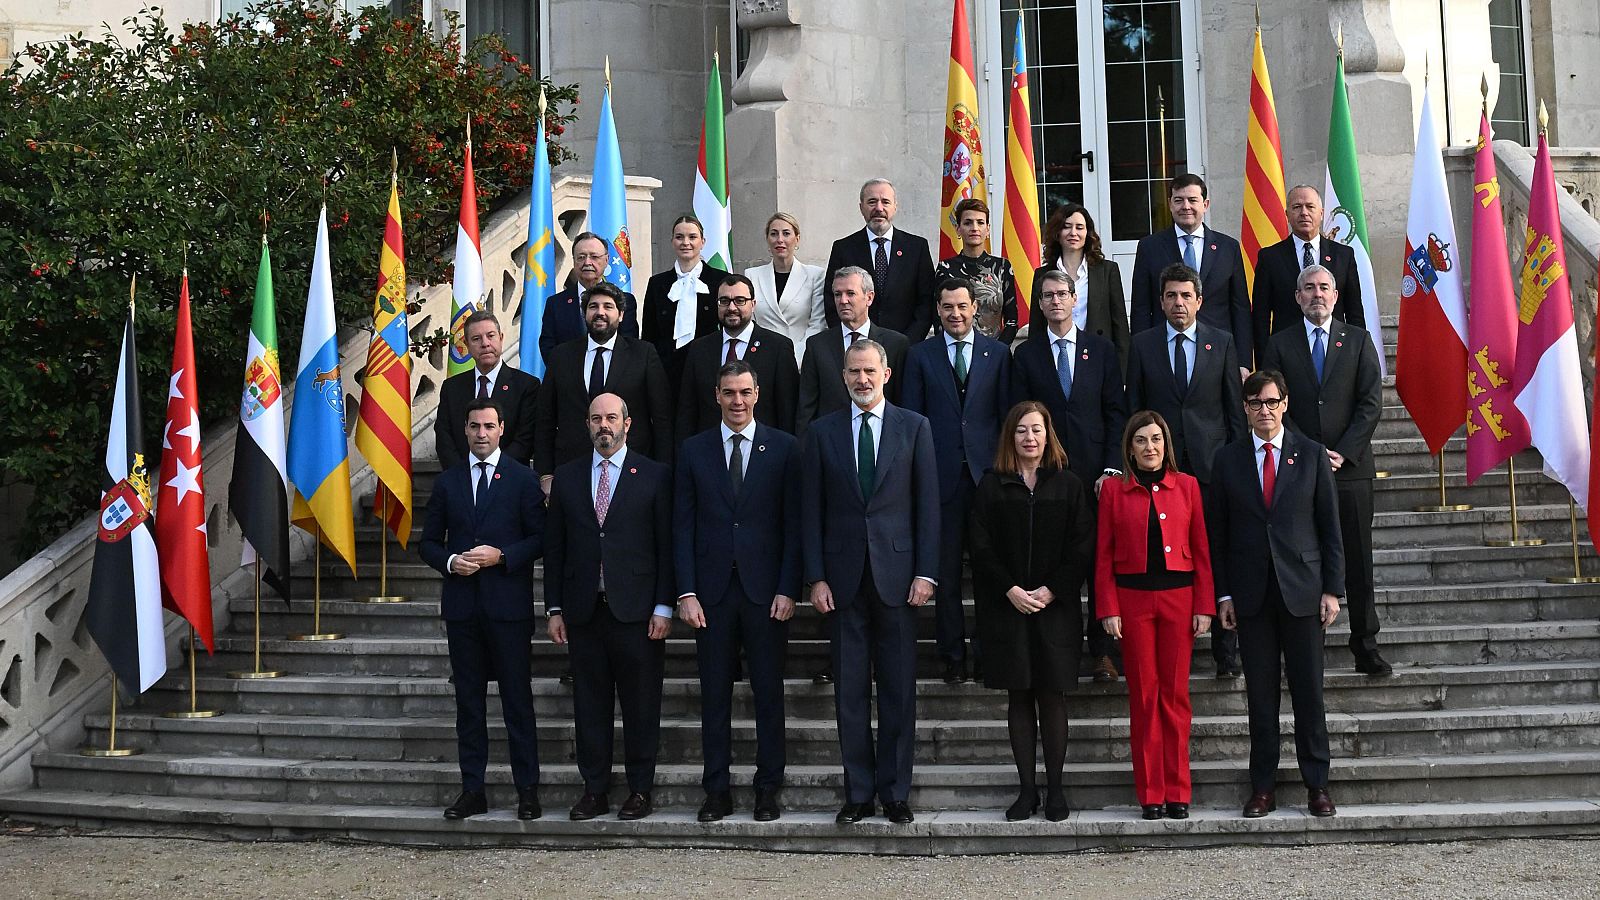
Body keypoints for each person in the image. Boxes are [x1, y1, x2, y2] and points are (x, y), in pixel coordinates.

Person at [801, 339, 940, 824]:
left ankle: (895, 792)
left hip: (900, 580)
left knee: (899, 691)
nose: (862, 380)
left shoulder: (915, 427)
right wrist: (815, 577)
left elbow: (928, 505)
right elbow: (811, 511)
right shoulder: (821, 433)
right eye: (853, 372)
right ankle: (858, 793)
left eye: (870, 371)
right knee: (850, 693)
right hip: (842, 582)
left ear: (886, 374)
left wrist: (926, 572)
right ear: (843, 378)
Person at [1210, 369, 1343, 820]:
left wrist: (1332, 589)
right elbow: (1219, 535)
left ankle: (1317, 785)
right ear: (1244, 409)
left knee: (1309, 694)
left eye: (1270, 402)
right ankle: (1262, 787)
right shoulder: (1227, 460)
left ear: (1285, 403)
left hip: (1303, 592)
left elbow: (1329, 527)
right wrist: (1223, 595)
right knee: (1260, 698)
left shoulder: (1309, 455)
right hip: (1250, 596)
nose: (1263, 411)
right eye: (1254, 404)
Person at [674, 360, 801, 822]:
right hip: (710, 595)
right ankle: (717, 790)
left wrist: (790, 588)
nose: (737, 401)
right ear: (717, 396)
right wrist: (685, 592)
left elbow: (794, 526)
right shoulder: (694, 451)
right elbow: (682, 525)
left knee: (768, 695)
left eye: (745, 392)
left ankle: (768, 788)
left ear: (757, 394)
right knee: (714, 698)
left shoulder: (784, 449)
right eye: (729, 393)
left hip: (766, 594)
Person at [544, 393, 675, 821]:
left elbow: (665, 548)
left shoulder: (654, 476)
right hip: (584, 611)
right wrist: (554, 609)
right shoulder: (567, 477)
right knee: (589, 706)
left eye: (612, 418)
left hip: (637, 613)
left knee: (641, 704)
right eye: (596, 418)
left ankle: (639, 789)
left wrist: (664, 606)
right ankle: (594, 789)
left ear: (627, 423)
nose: (605, 425)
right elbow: (556, 547)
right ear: (587, 425)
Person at [419, 399, 546, 821]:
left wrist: (503, 556)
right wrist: (452, 562)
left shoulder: (523, 479)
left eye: (488, 426)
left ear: (502, 429)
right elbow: (429, 542)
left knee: (517, 703)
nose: (481, 433)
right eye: (474, 426)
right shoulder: (448, 482)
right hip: (463, 609)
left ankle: (527, 789)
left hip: (508, 609)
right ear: (465, 431)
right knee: (469, 705)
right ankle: (473, 789)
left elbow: (540, 540)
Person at [967, 401, 1094, 822]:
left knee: (1052, 696)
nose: (1029, 438)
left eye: (1036, 429)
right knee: (1018, 696)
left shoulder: (1069, 485)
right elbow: (979, 546)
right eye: (1021, 430)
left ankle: (1056, 791)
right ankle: (1027, 792)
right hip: (1007, 608)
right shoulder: (991, 485)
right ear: (1011, 437)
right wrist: (1011, 589)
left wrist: (1052, 590)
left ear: (1048, 434)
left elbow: (1082, 547)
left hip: (1054, 609)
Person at [1261, 265, 1387, 675]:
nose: (1317, 294)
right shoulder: (1279, 344)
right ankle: (1308, 644)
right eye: (1309, 288)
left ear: (1336, 295)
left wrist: (1344, 452)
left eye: (1324, 288)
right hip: (1299, 469)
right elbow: (1277, 405)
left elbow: (1371, 402)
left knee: (1358, 560)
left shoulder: (1359, 340)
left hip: (1351, 471)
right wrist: (1312, 452)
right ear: (1297, 297)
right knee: (1306, 557)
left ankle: (1365, 644)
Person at [1125, 262, 1245, 677]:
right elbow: (1135, 411)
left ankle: (1225, 652)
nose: (1179, 303)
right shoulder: (1142, 345)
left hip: (1212, 468)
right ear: (1161, 302)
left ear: (1199, 300)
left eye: (1185, 295)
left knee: (1217, 552)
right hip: (1159, 472)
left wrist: (1234, 463)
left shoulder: (1222, 342)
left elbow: (1233, 409)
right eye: (1171, 296)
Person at [1095, 410, 1214, 821]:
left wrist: (1204, 606)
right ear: (1130, 447)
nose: (1150, 448)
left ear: (1167, 444)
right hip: (1133, 603)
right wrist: (1108, 607)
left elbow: (1201, 549)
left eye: (1157, 440)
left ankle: (1179, 790)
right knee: (1144, 698)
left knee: (1175, 698)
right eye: (1142, 440)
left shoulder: (1188, 486)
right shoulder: (1113, 491)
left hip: (1180, 600)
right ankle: (1151, 794)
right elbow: (1104, 554)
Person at [1011, 269, 1128, 682]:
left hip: (1096, 475)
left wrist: (1113, 468)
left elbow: (1117, 413)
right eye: (1047, 295)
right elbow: (1020, 419)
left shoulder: (1100, 350)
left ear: (1074, 298)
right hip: (1047, 480)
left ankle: (1103, 653)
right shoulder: (1025, 356)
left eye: (1062, 294)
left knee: (1099, 563)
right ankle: (1058, 652)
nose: (1056, 301)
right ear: (1039, 304)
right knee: (1053, 563)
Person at [901, 276, 1011, 683]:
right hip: (939, 479)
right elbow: (912, 421)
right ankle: (953, 656)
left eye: (962, 306)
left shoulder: (998, 355)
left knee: (988, 572)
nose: (955, 314)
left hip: (987, 479)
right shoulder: (920, 356)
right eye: (947, 307)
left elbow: (1006, 420)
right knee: (945, 574)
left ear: (974, 309)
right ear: (938, 310)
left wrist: (1004, 475)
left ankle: (986, 653)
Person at [534, 282, 672, 492]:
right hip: (572, 471)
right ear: (584, 314)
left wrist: (663, 471)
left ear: (621, 315)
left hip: (632, 471)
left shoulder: (643, 354)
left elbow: (661, 417)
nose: (600, 312)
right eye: (593, 307)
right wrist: (545, 474)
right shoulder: (561, 356)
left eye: (608, 307)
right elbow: (545, 418)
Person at [1130, 174, 1253, 370]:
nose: (1185, 206)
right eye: (1178, 200)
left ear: (1205, 204)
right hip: (1166, 352)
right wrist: (1139, 360)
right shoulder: (1149, 247)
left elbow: (1240, 308)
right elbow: (1141, 308)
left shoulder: (1227, 247)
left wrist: (1244, 362)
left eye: (1192, 200)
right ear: (1170, 204)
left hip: (1218, 352)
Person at [675, 274, 799, 441]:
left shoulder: (778, 347)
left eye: (740, 300)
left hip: (764, 451)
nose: (732, 307)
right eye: (724, 301)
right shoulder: (699, 349)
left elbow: (787, 411)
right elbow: (687, 410)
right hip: (710, 451)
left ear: (753, 304)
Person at [1250, 186, 1366, 364]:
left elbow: (1354, 312)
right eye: (1297, 207)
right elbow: (1260, 317)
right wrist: (1265, 366)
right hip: (1286, 356)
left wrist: (1359, 357)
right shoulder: (1269, 258)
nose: (1304, 213)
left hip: (1336, 354)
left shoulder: (1343, 255)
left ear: (1321, 213)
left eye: (1310, 207)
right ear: (1287, 215)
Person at [797, 266, 909, 437]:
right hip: (830, 444)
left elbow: (903, 403)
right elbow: (806, 408)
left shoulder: (896, 344)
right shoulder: (817, 346)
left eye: (850, 293)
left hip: (882, 442)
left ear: (869, 297)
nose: (843, 300)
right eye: (837, 294)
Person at [823, 178, 937, 340]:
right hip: (857, 349)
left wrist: (907, 344)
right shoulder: (843, 248)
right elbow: (831, 301)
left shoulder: (916, 248)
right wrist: (851, 341)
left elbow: (926, 302)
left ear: (895, 207)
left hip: (906, 348)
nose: (879, 208)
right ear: (861, 207)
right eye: (872, 202)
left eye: (885, 202)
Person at [1030, 202, 1130, 371]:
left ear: (1088, 233)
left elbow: (1119, 324)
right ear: (1057, 233)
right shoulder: (1042, 274)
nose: (1073, 233)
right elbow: (1037, 325)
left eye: (1080, 227)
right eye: (1067, 227)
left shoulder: (1107, 270)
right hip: (1056, 357)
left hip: (1098, 358)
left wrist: (1123, 373)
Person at [434, 312, 538, 470]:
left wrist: (493, 472)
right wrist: (464, 475)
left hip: (509, 479)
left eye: (491, 336)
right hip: (462, 481)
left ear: (501, 338)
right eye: (476, 339)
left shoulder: (526, 385)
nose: (485, 344)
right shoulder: (452, 387)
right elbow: (444, 438)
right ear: (467, 345)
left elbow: (525, 439)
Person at [641, 214, 731, 390]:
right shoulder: (657, 283)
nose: (685, 242)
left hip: (709, 369)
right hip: (666, 373)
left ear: (703, 241)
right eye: (679, 237)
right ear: (672, 241)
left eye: (692, 237)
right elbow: (649, 334)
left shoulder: (720, 280)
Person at [536, 232, 640, 371]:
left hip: (614, 385)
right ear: (573, 261)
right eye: (581, 257)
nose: (587, 262)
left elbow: (629, 344)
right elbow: (548, 347)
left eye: (594, 257)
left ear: (607, 260)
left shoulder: (625, 300)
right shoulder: (555, 304)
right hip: (568, 384)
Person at [747, 212, 827, 365]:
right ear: (767, 240)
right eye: (774, 234)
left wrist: (792, 357)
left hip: (801, 361)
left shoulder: (815, 276)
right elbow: (750, 323)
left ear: (797, 239)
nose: (780, 240)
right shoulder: (752, 275)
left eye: (786, 233)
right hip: (762, 359)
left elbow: (817, 324)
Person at [934, 198, 1018, 344]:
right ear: (958, 229)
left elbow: (1012, 320)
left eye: (980, 222)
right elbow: (938, 317)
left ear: (988, 228)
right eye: (968, 223)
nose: (974, 228)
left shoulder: (1002, 267)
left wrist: (998, 351)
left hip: (994, 354)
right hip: (956, 350)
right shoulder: (945, 268)